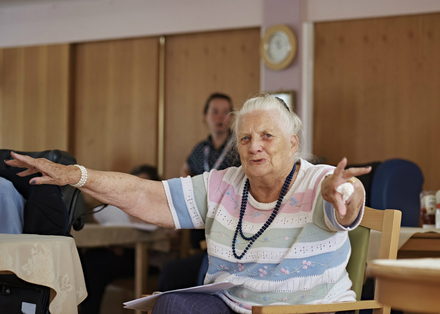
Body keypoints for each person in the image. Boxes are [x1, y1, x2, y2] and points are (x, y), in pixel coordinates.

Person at [5, 94, 371, 314]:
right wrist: (77, 176)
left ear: (293, 143)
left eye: (267, 136)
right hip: (238, 306)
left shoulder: (318, 180)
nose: (254, 145)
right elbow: (145, 195)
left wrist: (345, 195)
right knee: (172, 305)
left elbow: (347, 198)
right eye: (245, 138)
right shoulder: (222, 184)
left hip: (308, 310)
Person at [158, 93, 242, 292]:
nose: (220, 118)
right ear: (205, 116)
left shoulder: (239, 146)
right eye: (214, 112)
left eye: (225, 113)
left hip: (228, 221)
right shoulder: (201, 148)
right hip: (202, 220)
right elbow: (185, 169)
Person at [79, 164, 165, 314]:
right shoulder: (122, 207)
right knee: (88, 260)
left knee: (96, 263)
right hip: (119, 254)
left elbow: (168, 239)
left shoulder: (163, 209)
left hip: (148, 260)